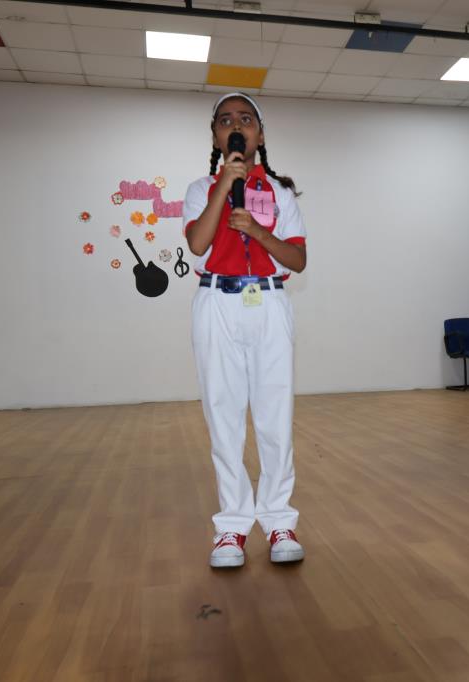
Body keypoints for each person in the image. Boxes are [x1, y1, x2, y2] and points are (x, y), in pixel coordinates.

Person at [183, 93, 307, 568]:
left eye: (246, 119)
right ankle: (231, 528)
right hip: (216, 302)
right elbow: (198, 244)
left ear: (260, 134)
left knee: (275, 417)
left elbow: (297, 259)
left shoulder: (281, 193)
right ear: (216, 136)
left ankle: (278, 520)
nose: (236, 126)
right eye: (226, 121)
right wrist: (224, 186)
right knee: (224, 417)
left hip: (269, 301)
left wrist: (257, 230)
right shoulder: (200, 189)